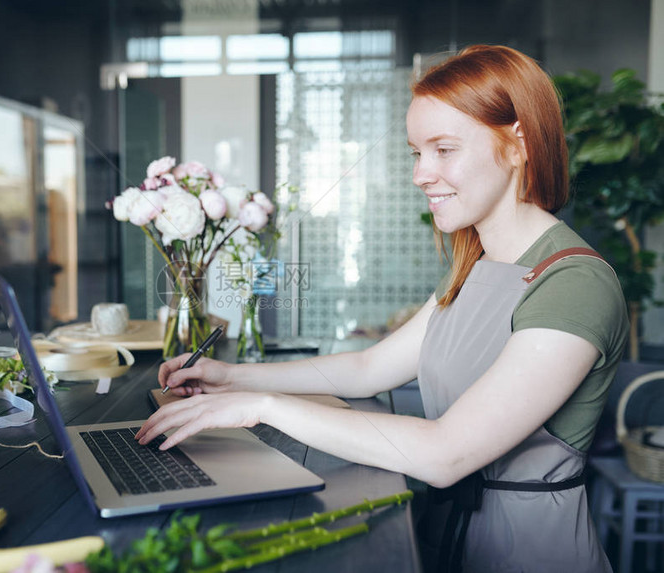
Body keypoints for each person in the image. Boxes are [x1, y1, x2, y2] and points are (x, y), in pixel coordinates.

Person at [136, 45, 629, 573]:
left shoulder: (574, 283)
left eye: (443, 149)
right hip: (449, 541)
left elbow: (446, 454)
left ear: (517, 145)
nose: (421, 174)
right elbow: (370, 368)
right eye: (418, 152)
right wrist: (231, 378)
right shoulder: (475, 264)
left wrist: (262, 407)